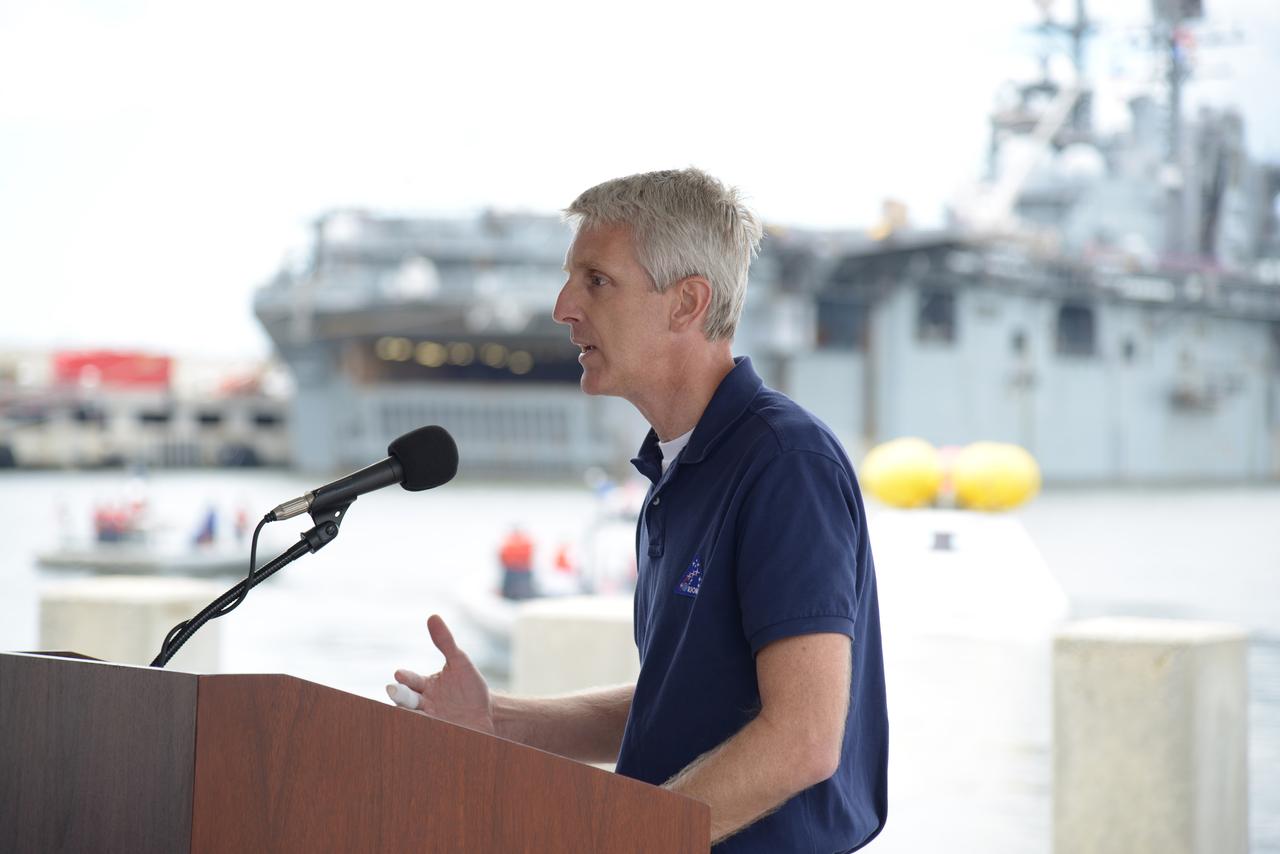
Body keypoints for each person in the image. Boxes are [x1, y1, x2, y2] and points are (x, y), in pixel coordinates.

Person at [390, 168, 888, 852]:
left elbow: (804, 740)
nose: (564, 305)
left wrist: (621, 837)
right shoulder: (677, 472)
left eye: (596, 280)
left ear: (687, 303)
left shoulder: (784, 463)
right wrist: (493, 720)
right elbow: (678, 706)